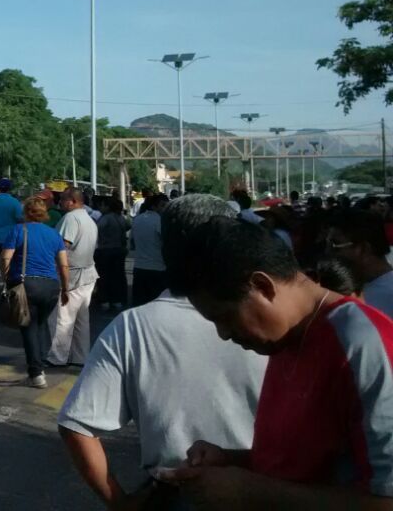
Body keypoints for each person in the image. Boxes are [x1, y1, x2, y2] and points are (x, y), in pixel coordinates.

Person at [160, 218, 393, 508]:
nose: (223, 334)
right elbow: (307, 467)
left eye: (225, 317)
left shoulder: (362, 343)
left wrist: (251, 491)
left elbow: (385, 501)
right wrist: (232, 463)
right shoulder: (284, 339)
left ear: (262, 286)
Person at [59, 194, 266, 510]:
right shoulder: (273, 318)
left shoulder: (134, 326)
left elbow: (77, 424)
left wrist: (120, 502)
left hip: (178, 490)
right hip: (268, 488)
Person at [0, 196, 70, 388]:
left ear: (26, 212)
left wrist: (5, 279)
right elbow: (63, 265)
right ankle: (40, 364)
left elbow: (6, 258)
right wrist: (65, 289)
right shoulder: (54, 234)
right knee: (40, 325)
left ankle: (36, 373)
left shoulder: (18, 230)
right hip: (51, 287)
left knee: (28, 328)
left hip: (26, 285)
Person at [48, 188, 98, 367]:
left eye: (62, 199)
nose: (59, 202)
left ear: (72, 201)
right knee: (81, 321)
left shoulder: (70, 219)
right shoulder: (89, 219)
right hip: (88, 274)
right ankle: (80, 357)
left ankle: (58, 357)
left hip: (71, 274)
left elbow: (62, 246)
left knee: (62, 318)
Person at [326, 208, 393, 317]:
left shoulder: (389, 296)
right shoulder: (346, 287)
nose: (328, 252)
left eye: (335, 245)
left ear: (364, 249)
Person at [130, 194, 169, 307]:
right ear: (153, 206)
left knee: (139, 304)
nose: (164, 209)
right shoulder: (160, 221)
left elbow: (132, 242)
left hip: (139, 267)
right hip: (157, 268)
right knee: (156, 305)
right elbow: (166, 242)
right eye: (162, 206)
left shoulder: (137, 219)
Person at [95, 198, 130, 311]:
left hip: (106, 250)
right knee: (118, 276)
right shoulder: (121, 218)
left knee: (104, 276)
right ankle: (117, 299)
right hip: (120, 250)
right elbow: (128, 226)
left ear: (107, 207)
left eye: (102, 205)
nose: (100, 208)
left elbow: (96, 228)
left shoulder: (106, 218)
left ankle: (105, 300)